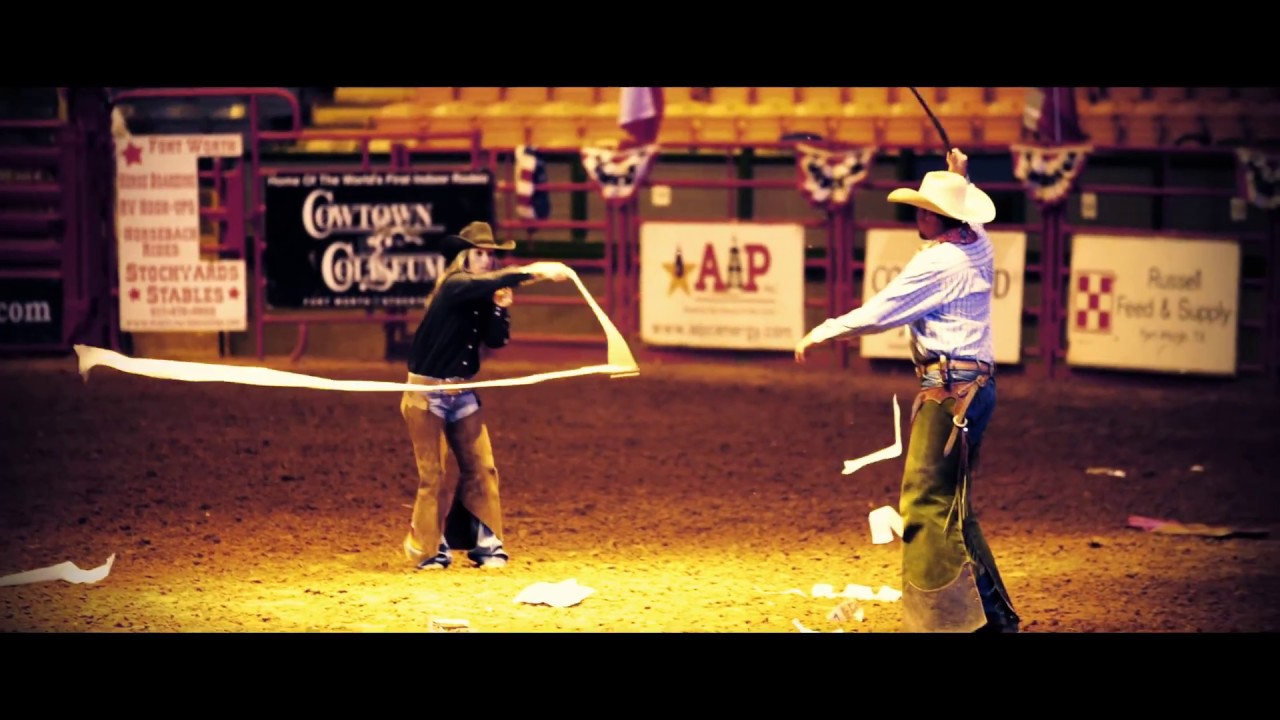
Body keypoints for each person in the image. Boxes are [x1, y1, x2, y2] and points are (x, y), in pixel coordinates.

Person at [794, 148, 1020, 633]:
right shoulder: (977, 244)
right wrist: (960, 176)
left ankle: (950, 622)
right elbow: (970, 222)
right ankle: (993, 618)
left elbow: (883, 310)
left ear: (938, 215)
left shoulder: (940, 262)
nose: (918, 215)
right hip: (975, 388)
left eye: (925, 208)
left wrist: (826, 329)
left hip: (948, 391)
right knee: (954, 505)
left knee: (924, 503)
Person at [400, 221, 568, 570]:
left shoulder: (478, 295)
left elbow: (495, 340)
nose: (486, 261)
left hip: (461, 392)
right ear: (464, 256)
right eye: (480, 254)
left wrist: (499, 308)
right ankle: (429, 548)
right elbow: (486, 283)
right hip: (426, 394)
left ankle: (487, 543)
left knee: (483, 468)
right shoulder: (455, 285)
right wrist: (532, 273)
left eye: (490, 255)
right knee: (434, 474)